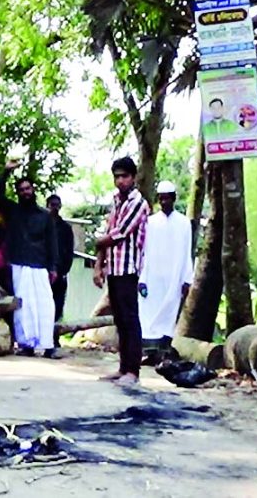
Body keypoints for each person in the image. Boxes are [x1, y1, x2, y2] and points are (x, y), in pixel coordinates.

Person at [93, 157, 151, 387]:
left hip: (129, 268)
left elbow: (119, 233)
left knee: (130, 319)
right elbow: (107, 230)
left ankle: (133, 371)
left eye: (124, 176)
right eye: (116, 176)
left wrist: (99, 242)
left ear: (133, 177)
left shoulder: (139, 203)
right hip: (114, 268)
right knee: (119, 319)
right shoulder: (116, 201)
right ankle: (122, 367)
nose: (120, 181)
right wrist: (99, 264)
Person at [0, 166, 59, 358]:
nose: (25, 192)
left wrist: (53, 267)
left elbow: (52, 242)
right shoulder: (13, 211)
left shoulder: (45, 216)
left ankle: (47, 345)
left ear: (33, 190)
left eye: (27, 189)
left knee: (45, 305)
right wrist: (5, 171)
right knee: (23, 305)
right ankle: (25, 344)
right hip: (19, 263)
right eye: (21, 190)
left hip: (40, 265)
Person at [138, 181, 193, 362]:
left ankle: (163, 352)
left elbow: (187, 253)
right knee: (149, 313)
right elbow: (145, 251)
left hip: (174, 278)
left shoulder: (184, 223)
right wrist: (142, 278)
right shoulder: (151, 223)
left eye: (167, 198)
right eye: (161, 199)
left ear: (174, 199)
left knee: (169, 313)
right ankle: (149, 353)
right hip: (153, 277)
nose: (164, 202)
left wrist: (187, 279)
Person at [46, 194, 75, 347]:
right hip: (44, 274)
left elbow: (69, 252)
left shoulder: (65, 228)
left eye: (57, 204)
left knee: (57, 308)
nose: (54, 207)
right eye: (52, 204)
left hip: (60, 274)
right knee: (44, 307)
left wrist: (62, 271)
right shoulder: (42, 225)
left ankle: (54, 339)